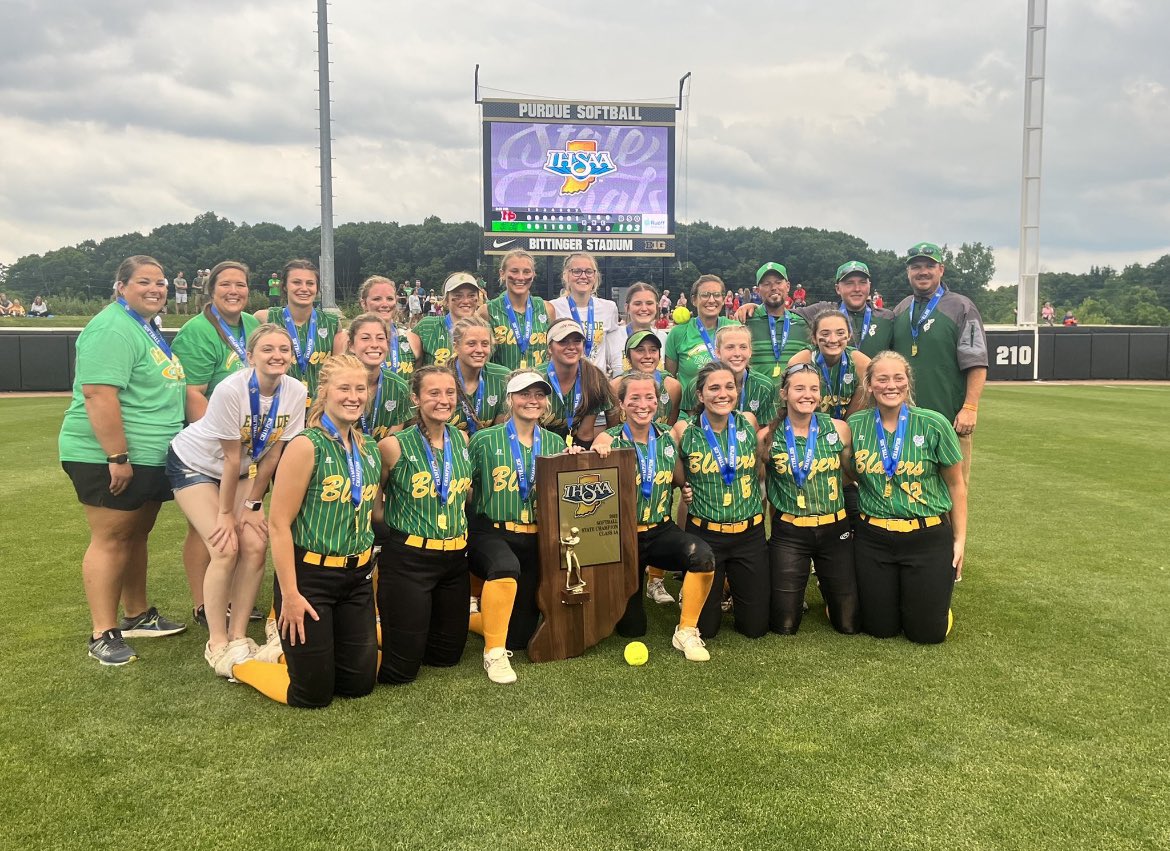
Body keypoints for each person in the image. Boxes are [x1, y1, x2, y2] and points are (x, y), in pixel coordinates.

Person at [232, 355, 382, 707]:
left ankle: (292, 657)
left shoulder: (369, 447)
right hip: (310, 579)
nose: (353, 396)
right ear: (324, 392)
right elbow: (279, 524)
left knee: (358, 684)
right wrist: (291, 595)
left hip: (356, 578)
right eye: (343, 388)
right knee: (311, 695)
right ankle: (240, 665)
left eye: (360, 389)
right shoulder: (306, 444)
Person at [58, 255, 187, 666]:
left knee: (136, 534)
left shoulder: (143, 326)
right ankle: (103, 631)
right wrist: (117, 455)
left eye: (161, 282)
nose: (155, 288)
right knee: (112, 538)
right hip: (108, 455)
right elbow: (98, 394)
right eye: (144, 281)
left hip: (149, 454)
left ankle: (137, 614)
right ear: (121, 286)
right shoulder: (111, 327)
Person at [167, 324, 307, 677]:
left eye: (284, 349)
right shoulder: (232, 389)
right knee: (225, 546)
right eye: (268, 349)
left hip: (244, 471)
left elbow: (273, 454)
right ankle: (216, 641)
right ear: (250, 356)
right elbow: (230, 458)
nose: (277, 355)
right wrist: (228, 514)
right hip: (195, 464)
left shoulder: (296, 390)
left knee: (256, 544)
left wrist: (253, 506)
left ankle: (239, 635)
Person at [591, 373, 717, 660]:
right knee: (631, 629)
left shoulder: (668, 436)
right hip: (622, 538)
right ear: (621, 404)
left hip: (660, 530)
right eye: (634, 398)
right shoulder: (607, 438)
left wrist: (685, 489)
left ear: (658, 402)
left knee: (702, 555)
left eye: (649, 397)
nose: (642, 404)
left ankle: (686, 631)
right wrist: (595, 453)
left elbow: (680, 477)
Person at [847, 351, 966, 643]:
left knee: (927, 634)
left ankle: (934, 607)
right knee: (879, 629)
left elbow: (956, 486)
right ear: (870, 385)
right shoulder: (856, 425)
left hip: (927, 536)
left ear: (908, 383)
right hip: (873, 538)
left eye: (898, 378)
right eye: (882, 379)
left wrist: (960, 540)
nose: (891, 385)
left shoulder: (934, 423)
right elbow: (846, 472)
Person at [467, 371, 571, 683]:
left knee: (520, 637)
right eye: (524, 394)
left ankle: (470, 617)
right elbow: (465, 487)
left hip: (536, 537)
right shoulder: (484, 440)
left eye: (539, 394)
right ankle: (494, 654)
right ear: (510, 399)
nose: (532, 400)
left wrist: (578, 461)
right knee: (504, 566)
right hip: (493, 531)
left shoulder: (554, 442)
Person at [171, 261, 262, 621]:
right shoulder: (196, 331)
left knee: (241, 527)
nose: (234, 291)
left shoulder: (252, 324)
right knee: (204, 528)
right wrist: (226, 439)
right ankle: (203, 605)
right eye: (226, 284)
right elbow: (193, 393)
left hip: (245, 447)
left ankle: (232, 599)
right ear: (211, 290)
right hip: (211, 446)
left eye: (240, 284)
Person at [375, 367, 473, 684]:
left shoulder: (462, 438)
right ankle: (364, 633)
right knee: (401, 670)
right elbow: (375, 500)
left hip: (455, 560)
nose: (443, 400)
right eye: (433, 393)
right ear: (416, 398)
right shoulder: (393, 445)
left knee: (446, 658)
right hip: (409, 560)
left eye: (449, 393)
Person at [670, 361, 767, 640]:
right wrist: (686, 488)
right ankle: (710, 587)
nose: (722, 394)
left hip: (750, 535)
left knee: (755, 628)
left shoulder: (748, 422)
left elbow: (759, 469)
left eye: (729, 386)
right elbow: (678, 477)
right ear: (700, 395)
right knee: (708, 630)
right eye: (713, 388)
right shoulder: (683, 430)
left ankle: (730, 588)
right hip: (706, 535)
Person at [762, 362, 858, 635]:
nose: (808, 395)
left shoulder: (839, 428)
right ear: (785, 393)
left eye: (814, 389)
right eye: (799, 388)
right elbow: (756, 484)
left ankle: (832, 594)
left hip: (835, 530)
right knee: (784, 625)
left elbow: (850, 475)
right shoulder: (767, 437)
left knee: (848, 624)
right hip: (790, 533)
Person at [891, 242, 988, 486]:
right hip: (906, 421)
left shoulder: (962, 307)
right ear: (908, 272)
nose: (923, 271)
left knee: (953, 490)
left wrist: (970, 408)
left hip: (950, 421)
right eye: (916, 267)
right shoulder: (901, 309)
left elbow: (977, 362)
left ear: (941, 269)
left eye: (929, 266)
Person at [254, 259, 345, 403]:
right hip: (277, 409)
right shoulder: (265, 318)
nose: (304, 288)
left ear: (317, 287)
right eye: (296, 282)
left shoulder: (332, 323)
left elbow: (339, 373)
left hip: (319, 410)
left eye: (310, 283)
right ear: (284, 286)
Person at [679, 324, 776, 425]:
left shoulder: (764, 386)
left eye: (743, 347)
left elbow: (766, 431)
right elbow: (685, 427)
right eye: (730, 347)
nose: (737, 353)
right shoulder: (697, 385)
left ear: (750, 352)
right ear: (718, 352)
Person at [541, 318, 617, 448]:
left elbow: (585, 434)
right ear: (549, 348)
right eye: (563, 341)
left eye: (577, 341)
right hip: (540, 448)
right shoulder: (536, 378)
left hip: (577, 448)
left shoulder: (593, 377)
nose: (571, 347)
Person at [786, 310, 872, 420]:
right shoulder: (800, 362)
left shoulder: (862, 364)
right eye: (825, 334)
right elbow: (793, 408)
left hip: (846, 427)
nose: (833, 340)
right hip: (809, 426)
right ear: (814, 338)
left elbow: (856, 416)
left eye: (840, 333)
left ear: (849, 335)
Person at [549, 252, 624, 378]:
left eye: (589, 271)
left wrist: (618, 380)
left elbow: (615, 354)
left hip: (596, 384)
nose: (583, 276)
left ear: (595, 276)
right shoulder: (553, 308)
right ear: (566, 275)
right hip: (564, 381)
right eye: (577, 271)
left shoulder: (609, 308)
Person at [734, 263, 813, 381]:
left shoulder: (803, 324)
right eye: (767, 284)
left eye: (778, 282)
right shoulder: (745, 321)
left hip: (793, 398)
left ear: (787, 286)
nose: (773, 287)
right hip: (756, 397)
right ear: (758, 290)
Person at [482, 249, 557, 372]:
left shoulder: (547, 308)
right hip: (502, 386)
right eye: (514, 271)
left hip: (539, 385)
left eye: (526, 272)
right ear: (502, 273)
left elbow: (553, 352)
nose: (520, 277)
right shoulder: (487, 311)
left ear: (533, 274)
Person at [664, 275, 740, 390]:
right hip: (689, 407)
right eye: (705, 295)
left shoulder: (735, 329)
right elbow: (670, 379)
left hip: (726, 404)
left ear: (724, 299)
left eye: (717, 295)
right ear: (694, 300)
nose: (711, 300)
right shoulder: (678, 333)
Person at [803, 261, 895, 356]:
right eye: (849, 283)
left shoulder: (887, 318)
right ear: (838, 288)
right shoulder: (823, 311)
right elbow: (788, 314)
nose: (857, 289)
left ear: (869, 286)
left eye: (862, 283)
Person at [347, 314, 414, 440]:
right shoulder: (334, 384)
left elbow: (392, 441)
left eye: (380, 338)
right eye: (365, 338)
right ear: (351, 345)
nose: (374, 344)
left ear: (388, 345)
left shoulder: (399, 388)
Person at [343, 276, 421, 376]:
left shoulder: (412, 339)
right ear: (364, 303)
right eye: (377, 299)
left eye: (389, 298)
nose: (385, 304)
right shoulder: (345, 339)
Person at [448, 316, 508, 434]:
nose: (479, 350)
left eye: (485, 344)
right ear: (456, 346)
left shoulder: (502, 377)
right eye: (471, 344)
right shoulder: (439, 379)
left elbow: (500, 433)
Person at [415, 272, 484, 366]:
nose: (465, 301)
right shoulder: (427, 326)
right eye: (458, 296)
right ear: (446, 300)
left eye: (471, 295)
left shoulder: (486, 329)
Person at [616, 330, 681, 427]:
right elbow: (612, 429)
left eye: (653, 350)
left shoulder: (672, 386)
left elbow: (670, 429)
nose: (648, 356)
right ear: (628, 357)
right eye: (640, 350)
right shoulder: (616, 386)